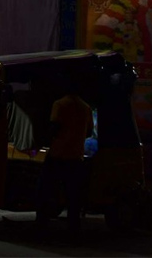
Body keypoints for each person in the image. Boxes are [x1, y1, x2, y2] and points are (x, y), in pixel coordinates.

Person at [37, 88, 93, 234]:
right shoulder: (85, 107)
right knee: (73, 195)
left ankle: (42, 223)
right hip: (76, 156)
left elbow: (54, 127)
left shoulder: (60, 104)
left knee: (45, 188)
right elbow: (88, 132)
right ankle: (73, 226)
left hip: (58, 154)